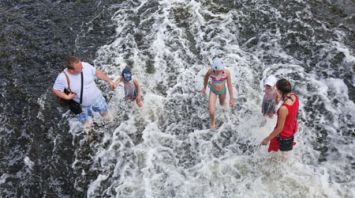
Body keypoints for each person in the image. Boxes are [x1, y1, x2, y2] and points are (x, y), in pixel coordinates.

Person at [52, 56, 116, 129]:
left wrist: (109, 81)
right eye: (80, 68)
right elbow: (56, 89)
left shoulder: (85, 66)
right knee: (86, 123)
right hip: (82, 105)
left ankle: (111, 124)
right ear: (71, 70)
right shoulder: (63, 77)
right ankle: (89, 133)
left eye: (81, 66)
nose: (83, 68)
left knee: (105, 113)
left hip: (97, 98)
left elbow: (97, 73)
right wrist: (66, 97)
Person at [261, 79, 299, 152]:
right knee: (283, 157)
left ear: (279, 91)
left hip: (281, 136)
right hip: (291, 129)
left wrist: (267, 139)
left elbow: (279, 128)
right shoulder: (294, 96)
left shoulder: (283, 109)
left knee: (272, 158)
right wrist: (277, 100)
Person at [202, 57, 234, 129]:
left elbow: (229, 85)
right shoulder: (210, 71)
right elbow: (206, 78)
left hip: (222, 91)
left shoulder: (226, 73)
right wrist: (204, 87)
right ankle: (212, 123)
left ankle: (223, 114)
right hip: (213, 91)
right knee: (211, 111)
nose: (218, 72)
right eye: (216, 71)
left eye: (220, 71)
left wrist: (231, 98)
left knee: (222, 104)